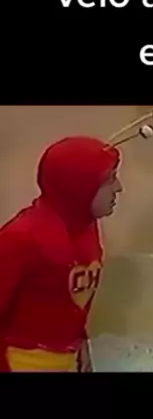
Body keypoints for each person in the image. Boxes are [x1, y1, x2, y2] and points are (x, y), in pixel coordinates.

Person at [0, 137, 123, 372]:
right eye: (110, 179)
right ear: (79, 186)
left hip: (66, 359)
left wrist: (80, 340)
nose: (118, 188)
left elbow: (67, 298)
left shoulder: (87, 227)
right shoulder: (21, 237)